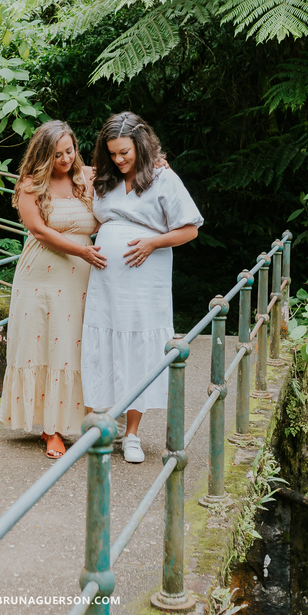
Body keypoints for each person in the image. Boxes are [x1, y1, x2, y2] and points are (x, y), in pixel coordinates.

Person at [81, 112, 202, 463]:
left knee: (137, 347)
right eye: (112, 153)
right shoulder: (104, 178)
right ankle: (107, 423)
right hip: (105, 281)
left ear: (141, 146)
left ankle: (132, 434)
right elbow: (59, 167)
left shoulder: (163, 178)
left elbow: (190, 229)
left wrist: (152, 243)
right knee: (103, 346)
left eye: (125, 153)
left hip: (145, 278)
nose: (119, 160)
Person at [0, 120, 106, 459]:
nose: (65, 159)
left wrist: (158, 162)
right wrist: (83, 251)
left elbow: (129, 168)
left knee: (74, 346)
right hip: (40, 279)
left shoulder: (88, 177)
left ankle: (83, 420)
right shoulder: (30, 185)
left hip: (80, 278)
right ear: (44, 155)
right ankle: (51, 429)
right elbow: (40, 231)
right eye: (57, 154)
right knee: (44, 345)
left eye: (69, 151)